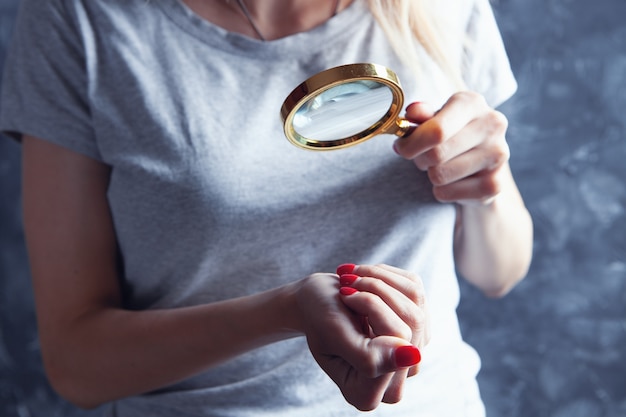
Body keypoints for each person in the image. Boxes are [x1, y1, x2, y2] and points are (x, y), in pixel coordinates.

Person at [0, 0, 533, 415]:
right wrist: (285, 312)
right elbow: (77, 366)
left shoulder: (438, 9)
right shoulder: (80, 19)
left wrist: (486, 181)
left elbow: (499, 272)